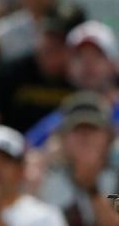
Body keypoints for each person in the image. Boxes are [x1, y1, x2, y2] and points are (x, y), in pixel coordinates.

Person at [0, 1, 85, 132]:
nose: (52, 45)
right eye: (49, 35)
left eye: (61, 40)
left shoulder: (86, 80)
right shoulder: (14, 72)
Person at [26, 21, 119, 147]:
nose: (88, 64)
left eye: (97, 55)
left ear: (114, 64)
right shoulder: (57, 121)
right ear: (68, 67)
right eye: (79, 56)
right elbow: (25, 151)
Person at [38, 92, 119, 226]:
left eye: (92, 129)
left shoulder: (116, 177)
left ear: (109, 137)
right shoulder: (45, 178)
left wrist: (92, 188)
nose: (85, 137)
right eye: (77, 129)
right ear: (63, 138)